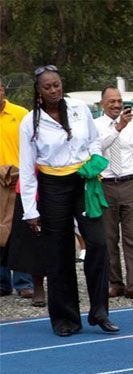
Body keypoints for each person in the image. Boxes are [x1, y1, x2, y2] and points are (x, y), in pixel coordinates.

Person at [19, 65, 116, 336]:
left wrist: (95, 160)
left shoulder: (79, 108)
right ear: (38, 91)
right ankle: (66, 318)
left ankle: (99, 312)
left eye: (57, 85)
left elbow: (94, 142)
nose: (54, 90)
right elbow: (27, 169)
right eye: (47, 87)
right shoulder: (30, 121)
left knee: (97, 243)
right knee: (59, 252)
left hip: (83, 180)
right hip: (53, 185)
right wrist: (30, 210)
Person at [94, 86, 133, 301]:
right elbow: (96, 149)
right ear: (102, 103)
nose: (117, 105)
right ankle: (114, 282)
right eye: (112, 101)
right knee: (108, 238)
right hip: (104, 184)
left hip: (129, 184)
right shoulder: (95, 126)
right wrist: (118, 127)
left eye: (119, 101)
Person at [0, 78, 34, 299]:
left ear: (3, 90)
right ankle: (2, 283)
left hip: (20, 181)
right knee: (0, 233)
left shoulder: (21, 114)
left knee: (22, 233)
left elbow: (33, 144)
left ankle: (24, 282)